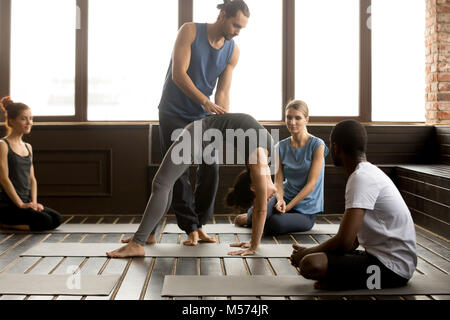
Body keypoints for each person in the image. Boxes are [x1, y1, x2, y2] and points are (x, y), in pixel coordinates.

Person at [106, 113, 276, 258]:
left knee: (164, 183)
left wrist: (255, 242)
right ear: (254, 187)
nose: (267, 198)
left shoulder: (268, 158)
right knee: (162, 183)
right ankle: (139, 241)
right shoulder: (260, 164)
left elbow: (273, 191)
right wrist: (254, 247)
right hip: (196, 135)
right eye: (263, 197)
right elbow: (261, 210)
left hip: (202, 135)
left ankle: (146, 236)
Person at [156, 0, 249, 246]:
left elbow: (223, 91)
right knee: (180, 171)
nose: (237, 32)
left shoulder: (233, 51)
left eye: (242, 28)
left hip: (203, 116)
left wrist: (223, 117)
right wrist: (205, 102)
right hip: (173, 112)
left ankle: (200, 224)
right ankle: (190, 229)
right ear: (222, 15)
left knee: (211, 167)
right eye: (235, 25)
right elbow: (178, 74)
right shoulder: (190, 30)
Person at [290, 120, 417, 290]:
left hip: (392, 270)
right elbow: (353, 243)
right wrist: (313, 249)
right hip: (389, 263)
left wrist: (307, 253)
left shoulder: (361, 178)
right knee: (315, 258)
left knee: (310, 264)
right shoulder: (368, 172)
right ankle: (342, 279)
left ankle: (343, 281)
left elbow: (344, 242)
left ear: (336, 147)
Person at [234, 100, 328, 235]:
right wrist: (280, 200)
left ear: (306, 119)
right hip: (283, 199)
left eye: (297, 118)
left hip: (306, 209)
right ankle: (251, 217)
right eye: (289, 117)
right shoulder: (280, 147)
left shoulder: (317, 145)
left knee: (275, 224)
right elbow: (278, 181)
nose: (292, 122)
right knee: (258, 212)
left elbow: (311, 184)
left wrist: (288, 206)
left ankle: (256, 217)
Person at [0, 96, 62, 232]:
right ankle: (5, 223)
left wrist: (33, 203)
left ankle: (14, 221)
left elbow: (32, 179)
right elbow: (4, 179)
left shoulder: (28, 147)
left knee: (56, 218)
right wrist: (21, 204)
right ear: (11, 121)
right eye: (24, 118)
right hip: (9, 204)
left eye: (31, 118)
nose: (29, 122)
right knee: (45, 221)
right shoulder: (3, 145)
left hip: (26, 202)